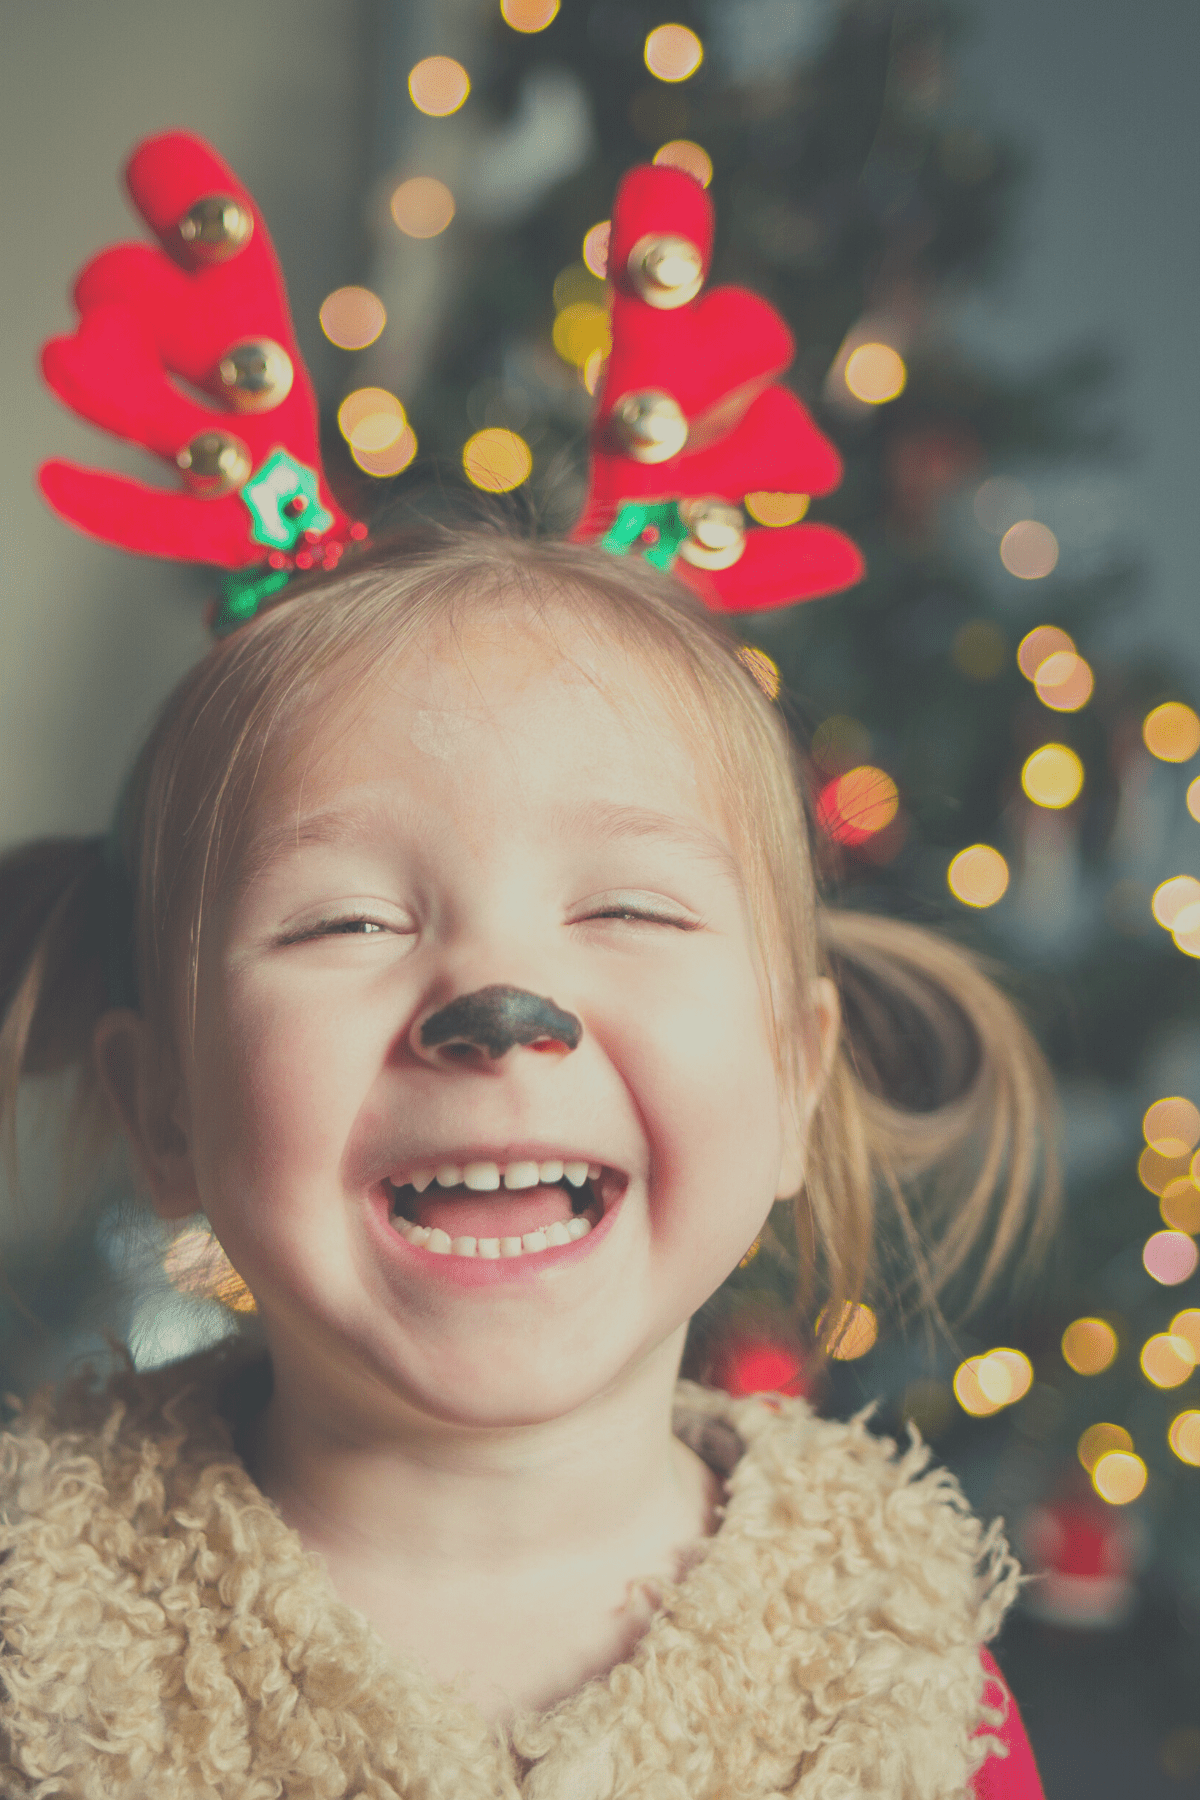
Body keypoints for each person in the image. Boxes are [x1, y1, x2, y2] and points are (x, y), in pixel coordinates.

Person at [0, 136, 1053, 1799]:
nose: (499, 1006)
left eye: (626, 909)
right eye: (347, 921)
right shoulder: (33, 1640)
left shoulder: (906, 1663)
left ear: (794, 1080)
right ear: (166, 1105)